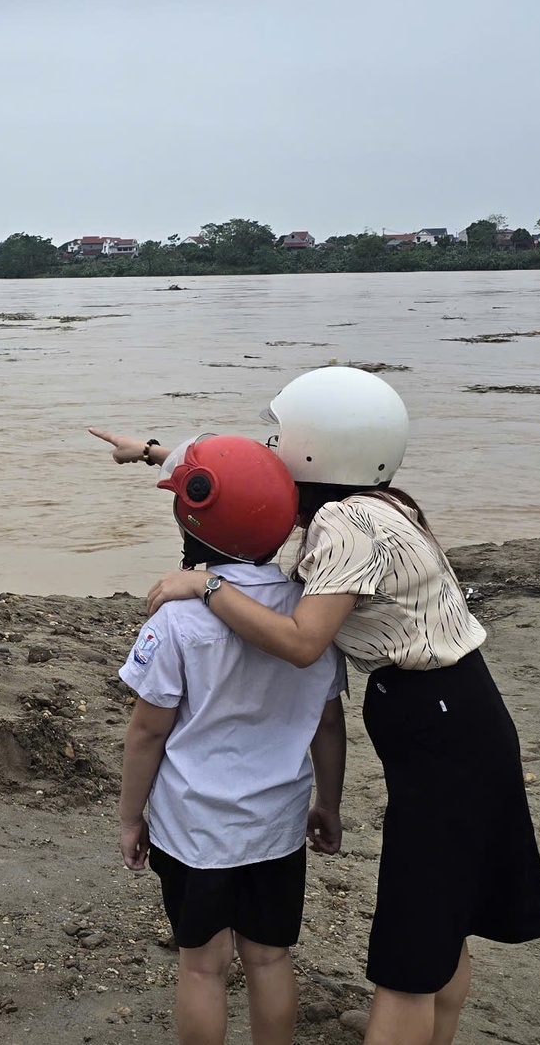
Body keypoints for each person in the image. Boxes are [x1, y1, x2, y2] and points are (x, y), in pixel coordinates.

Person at [100, 367, 540, 1045]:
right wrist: (158, 451)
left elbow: (305, 643)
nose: (274, 445)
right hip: (461, 712)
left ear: (313, 448)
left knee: (410, 943)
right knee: (443, 916)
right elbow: (242, 477)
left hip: (439, 728)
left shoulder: (341, 523)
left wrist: (206, 585)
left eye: (283, 435)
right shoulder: (375, 498)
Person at [116, 434, 348, 1045]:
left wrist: (129, 817)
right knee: (269, 958)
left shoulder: (178, 616)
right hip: (275, 820)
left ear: (190, 525)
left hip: (193, 824)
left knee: (201, 965)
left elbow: (146, 731)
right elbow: (329, 723)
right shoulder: (307, 611)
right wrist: (329, 803)